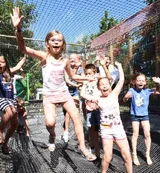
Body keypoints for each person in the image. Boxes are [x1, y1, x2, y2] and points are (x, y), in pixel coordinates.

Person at [11, 7, 96, 161]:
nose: (56, 42)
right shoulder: (44, 57)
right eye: (53, 40)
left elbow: (73, 77)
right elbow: (22, 48)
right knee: (50, 123)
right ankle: (52, 135)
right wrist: (18, 29)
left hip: (63, 93)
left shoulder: (64, 61)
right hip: (49, 95)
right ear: (47, 44)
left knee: (76, 116)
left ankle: (83, 147)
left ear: (63, 45)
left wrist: (87, 79)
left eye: (59, 40)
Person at [81, 61, 132, 173]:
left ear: (110, 85)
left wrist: (119, 67)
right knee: (108, 157)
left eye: (106, 84)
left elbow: (121, 80)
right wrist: (86, 81)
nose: (104, 86)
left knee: (127, 155)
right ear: (98, 88)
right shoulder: (97, 98)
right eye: (101, 84)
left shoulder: (114, 94)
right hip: (106, 131)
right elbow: (83, 94)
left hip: (118, 129)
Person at [122, 73, 160, 165]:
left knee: (147, 134)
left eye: (142, 80)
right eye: (138, 80)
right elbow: (124, 99)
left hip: (144, 116)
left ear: (145, 82)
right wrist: (126, 97)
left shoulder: (148, 91)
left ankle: (147, 154)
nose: (140, 82)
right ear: (135, 82)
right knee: (135, 134)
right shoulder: (132, 90)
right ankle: (134, 154)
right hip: (135, 116)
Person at [80, 63, 101, 159]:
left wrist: (95, 76)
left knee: (100, 129)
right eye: (86, 74)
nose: (88, 76)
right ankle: (92, 146)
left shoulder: (97, 81)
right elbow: (82, 94)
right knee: (91, 129)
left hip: (98, 109)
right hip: (89, 109)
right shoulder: (85, 83)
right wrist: (90, 98)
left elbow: (101, 77)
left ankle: (101, 148)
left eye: (90, 74)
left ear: (94, 73)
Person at [62, 53, 84, 143]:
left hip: (75, 91)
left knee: (75, 111)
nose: (71, 59)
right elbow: (68, 80)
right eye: (70, 58)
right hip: (67, 91)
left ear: (77, 59)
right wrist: (76, 84)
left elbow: (81, 78)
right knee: (67, 112)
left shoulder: (81, 68)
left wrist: (80, 84)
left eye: (73, 58)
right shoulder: (66, 67)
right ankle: (66, 131)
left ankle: (77, 131)